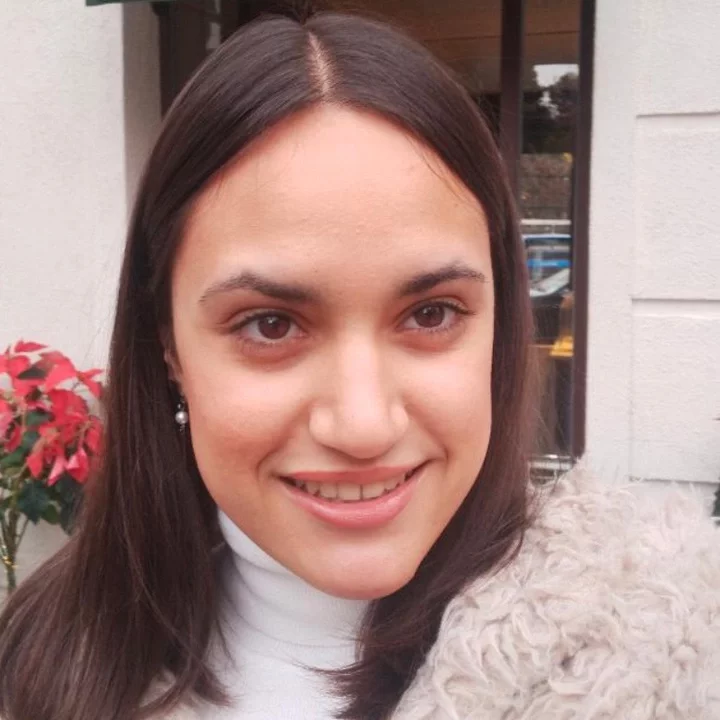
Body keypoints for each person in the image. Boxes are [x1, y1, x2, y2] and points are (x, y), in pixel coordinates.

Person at [1, 10, 718, 720]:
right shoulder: (33, 663)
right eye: (270, 324)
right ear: (169, 350)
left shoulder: (670, 662)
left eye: (431, 314)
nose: (364, 425)